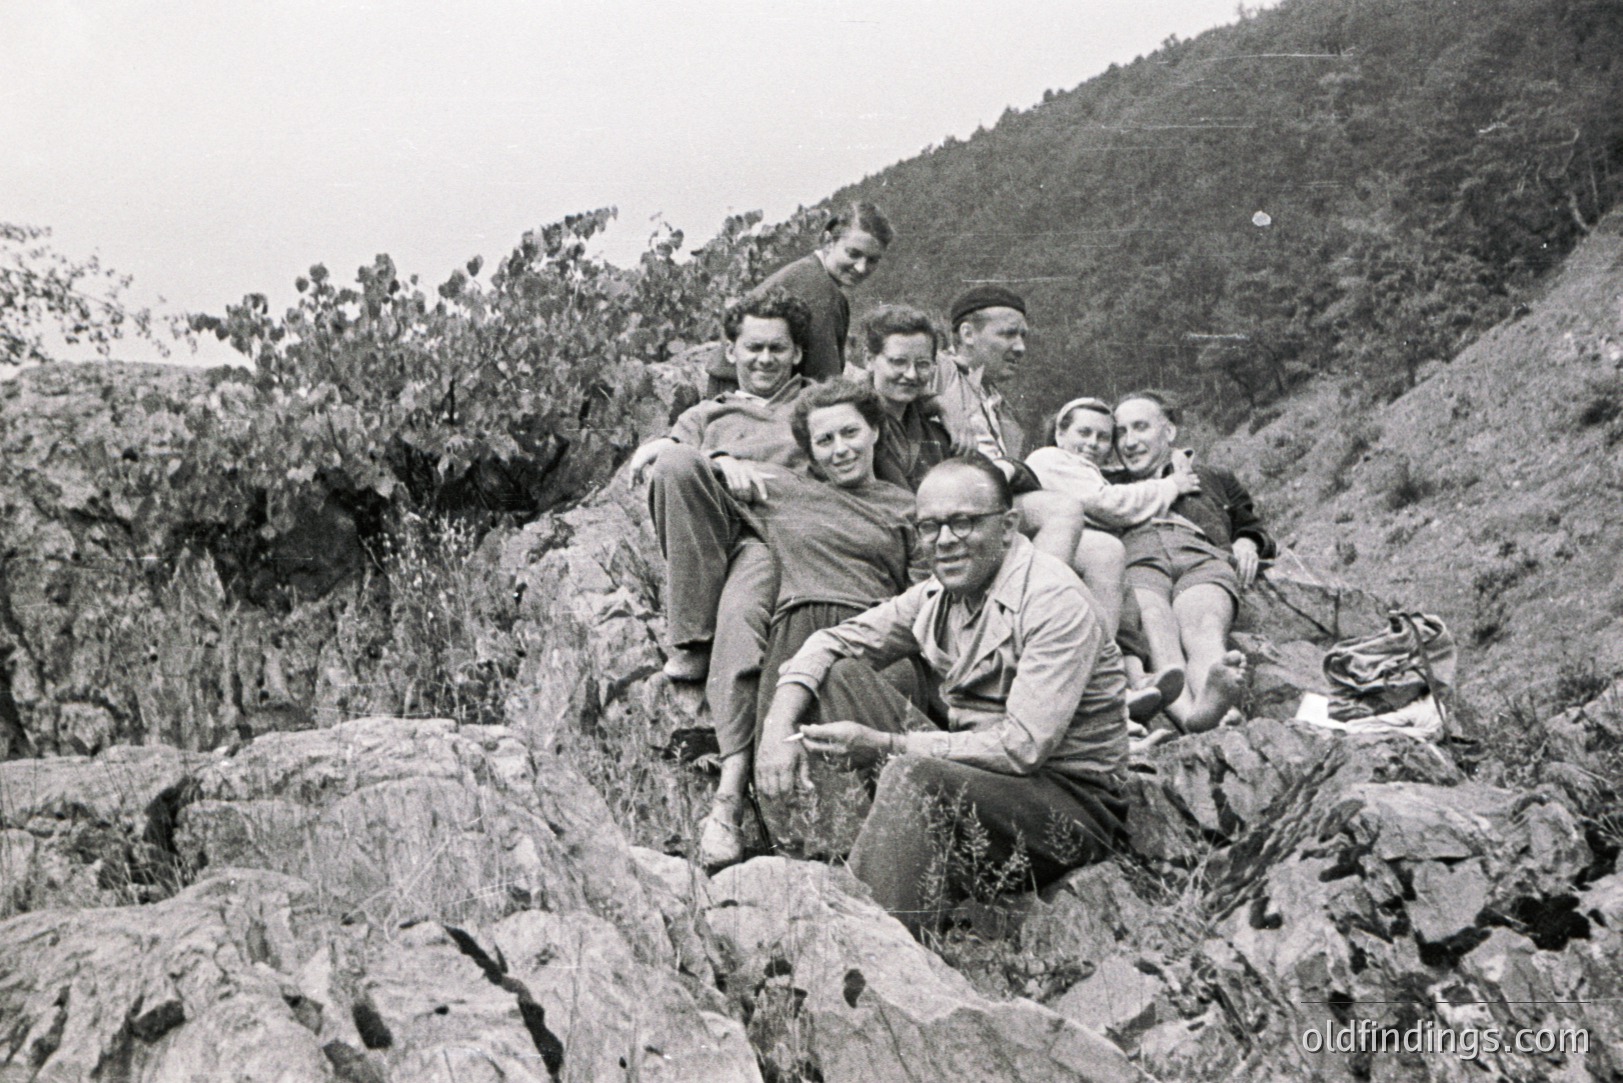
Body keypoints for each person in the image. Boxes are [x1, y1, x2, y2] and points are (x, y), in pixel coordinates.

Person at [755, 455, 1130, 936]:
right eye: (930, 527)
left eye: (964, 523)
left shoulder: (1053, 602)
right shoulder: (939, 592)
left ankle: (871, 942)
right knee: (838, 675)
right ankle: (888, 862)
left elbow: (1022, 748)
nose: (945, 541)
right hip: (980, 777)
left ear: (1008, 526)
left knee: (914, 773)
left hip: (1069, 803)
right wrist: (775, 730)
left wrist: (886, 746)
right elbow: (830, 641)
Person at [696, 379, 925, 866]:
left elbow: (930, 599)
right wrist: (724, 461)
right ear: (810, 452)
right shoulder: (784, 489)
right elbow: (687, 474)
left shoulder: (909, 507)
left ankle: (895, 878)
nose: (840, 450)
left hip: (876, 643)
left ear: (876, 432)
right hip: (795, 642)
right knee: (788, 782)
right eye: (825, 441)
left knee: (877, 780)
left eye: (850, 433)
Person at [629, 290, 812, 699]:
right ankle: (695, 638)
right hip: (725, 540)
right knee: (676, 462)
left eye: (777, 348)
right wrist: (718, 460)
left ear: (797, 353)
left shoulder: (817, 403)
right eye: (753, 347)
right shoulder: (704, 415)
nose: (765, 359)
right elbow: (673, 466)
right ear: (731, 351)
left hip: (788, 535)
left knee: (747, 614)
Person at [932, 286, 1129, 638]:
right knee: (1062, 509)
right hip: (955, 510)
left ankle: (1103, 666)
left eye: (1023, 336)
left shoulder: (997, 403)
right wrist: (941, 402)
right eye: (1008, 334)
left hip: (995, 508)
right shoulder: (940, 371)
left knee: (1106, 551)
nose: (1020, 347)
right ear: (967, 334)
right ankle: (1023, 630)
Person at [1027, 396, 1202, 722]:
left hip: (1086, 555)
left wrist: (1176, 456)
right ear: (1061, 435)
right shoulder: (1050, 459)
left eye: (1104, 437)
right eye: (1084, 433)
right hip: (1048, 553)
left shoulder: (1087, 469)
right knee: (1110, 559)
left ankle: (1134, 677)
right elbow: (1109, 503)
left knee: (1125, 591)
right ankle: (1107, 680)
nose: (1093, 443)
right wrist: (1170, 486)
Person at [1113, 390, 1276, 733]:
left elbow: (1250, 524)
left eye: (1140, 427)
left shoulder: (1213, 476)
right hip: (1138, 560)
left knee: (1202, 626)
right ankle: (1194, 717)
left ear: (1169, 432)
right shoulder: (1109, 484)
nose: (1128, 441)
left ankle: (1213, 696)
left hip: (1199, 555)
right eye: (1120, 432)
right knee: (1155, 624)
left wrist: (1247, 542)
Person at [705, 201, 894, 395]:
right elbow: (824, 383)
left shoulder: (807, 271)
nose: (861, 267)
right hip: (743, 391)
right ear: (829, 242)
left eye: (872, 260)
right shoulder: (820, 289)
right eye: (853, 253)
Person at [860, 303, 954, 492]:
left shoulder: (937, 435)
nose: (911, 374)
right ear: (869, 359)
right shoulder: (852, 425)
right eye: (898, 362)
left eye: (922, 364)